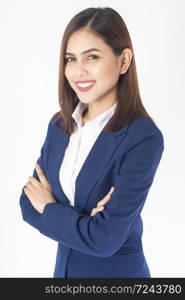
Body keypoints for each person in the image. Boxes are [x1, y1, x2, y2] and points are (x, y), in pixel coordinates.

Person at [19, 7, 164, 278]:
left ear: (123, 61)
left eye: (92, 57)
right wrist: (86, 222)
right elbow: (28, 204)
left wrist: (50, 207)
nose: (78, 71)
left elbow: (105, 239)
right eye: (70, 59)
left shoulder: (143, 137)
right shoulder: (59, 126)